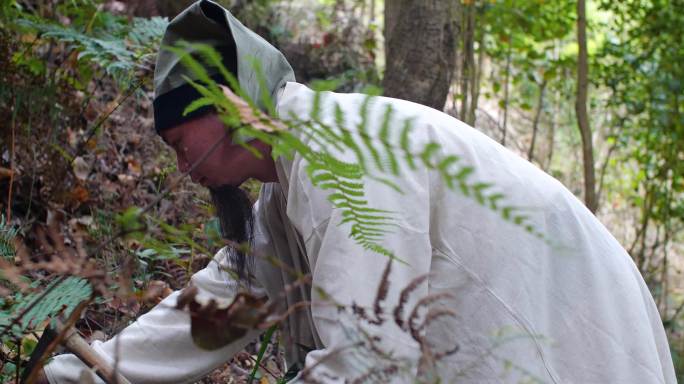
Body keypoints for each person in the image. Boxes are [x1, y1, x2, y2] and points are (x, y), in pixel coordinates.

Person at [39, 1, 676, 383]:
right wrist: (77, 372)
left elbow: (369, 359)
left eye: (181, 140)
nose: (181, 165)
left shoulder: (339, 150)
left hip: (570, 337)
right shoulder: (289, 189)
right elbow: (216, 312)